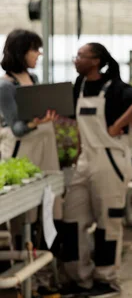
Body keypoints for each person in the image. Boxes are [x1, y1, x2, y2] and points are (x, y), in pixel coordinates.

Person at [60, 43, 132, 298]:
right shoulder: (78, 86)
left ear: (96, 60)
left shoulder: (115, 87)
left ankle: (106, 280)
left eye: (81, 56)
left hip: (110, 160)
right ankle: (80, 278)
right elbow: (78, 123)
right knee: (72, 221)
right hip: (85, 161)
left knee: (107, 222)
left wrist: (117, 125)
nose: (76, 60)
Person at [0, 29, 61, 295]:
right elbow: (17, 129)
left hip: (44, 151)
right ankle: (26, 278)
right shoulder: (5, 86)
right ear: (21, 51)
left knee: (45, 211)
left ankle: (41, 275)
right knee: (23, 217)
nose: (39, 54)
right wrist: (38, 121)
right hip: (21, 152)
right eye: (35, 49)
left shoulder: (33, 78)